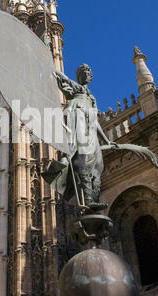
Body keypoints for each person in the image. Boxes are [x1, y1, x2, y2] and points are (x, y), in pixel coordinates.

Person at [43, 64, 117, 210]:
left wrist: (107, 140)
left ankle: (93, 200)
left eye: (88, 72)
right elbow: (61, 77)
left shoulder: (91, 98)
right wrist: (49, 64)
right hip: (75, 115)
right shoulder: (76, 88)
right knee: (78, 143)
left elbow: (95, 122)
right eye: (83, 72)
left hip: (88, 124)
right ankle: (67, 156)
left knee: (96, 164)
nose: (86, 74)